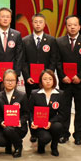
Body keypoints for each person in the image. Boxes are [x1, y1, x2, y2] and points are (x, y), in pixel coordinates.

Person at [21, 13, 59, 142]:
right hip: (31, 80)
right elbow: (23, 61)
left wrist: (49, 76)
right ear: (32, 23)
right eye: (36, 22)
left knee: (46, 105)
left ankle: (46, 129)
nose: (38, 24)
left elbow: (53, 60)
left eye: (40, 22)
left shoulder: (51, 40)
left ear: (44, 24)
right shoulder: (25, 40)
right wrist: (27, 76)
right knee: (31, 107)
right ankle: (34, 132)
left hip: (46, 81)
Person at [55, 15, 81, 145]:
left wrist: (80, 76)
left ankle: (78, 135)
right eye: (69, 25)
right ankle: (63, 134)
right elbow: (57, 61)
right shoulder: (59, 41)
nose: (72, 27)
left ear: (79, 27)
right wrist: (62, 76)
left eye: (75, 25)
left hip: (80, 83)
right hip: (65, 82)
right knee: (64, 109)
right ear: (66, 27)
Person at [0, 7, 25, 90]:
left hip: (12, 76)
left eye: (7, 17)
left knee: (11, 96)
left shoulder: (17, 35)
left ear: (11, 19)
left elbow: (19, 56)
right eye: (3, 16)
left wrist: (15, 74)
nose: (5, 19)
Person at [0, 69, 30, 158]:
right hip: (4, 126)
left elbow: (26, 113)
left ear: (16, 82)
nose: (10, 83)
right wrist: (1, 122)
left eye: (12, 80)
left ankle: (18, 146)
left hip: (18, 127)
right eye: (7, 80)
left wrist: (20, 121)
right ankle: (8, 144)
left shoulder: (22, 95)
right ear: (3, 81)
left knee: (9, 130)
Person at [29, 69, 66, 156]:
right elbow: (30, 111)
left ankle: (54, 146)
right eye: (45, 79)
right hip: (39, 124)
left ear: (54, 80)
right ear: (41, 81)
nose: (48, 81)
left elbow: (62, 114)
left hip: (52, 122)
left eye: (50, 79)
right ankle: (41, 145)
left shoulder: (60, 94)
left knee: (58, 126)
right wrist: (32, 121)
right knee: (45, 138)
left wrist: (50, 122)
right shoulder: (35, 94)